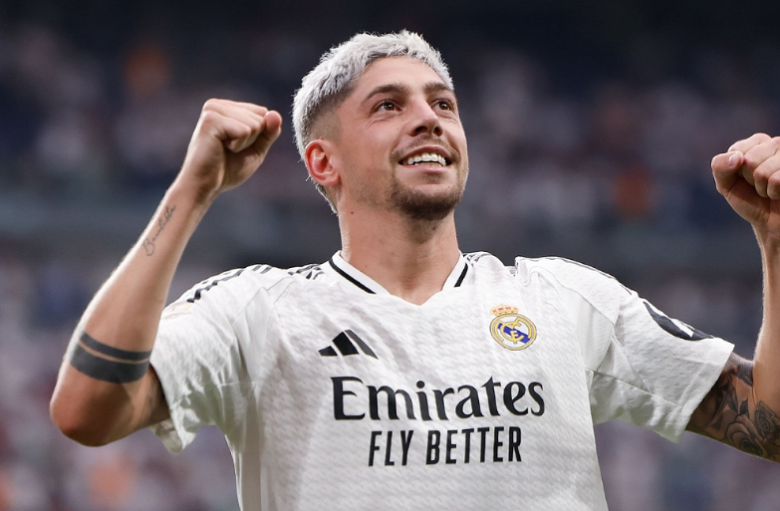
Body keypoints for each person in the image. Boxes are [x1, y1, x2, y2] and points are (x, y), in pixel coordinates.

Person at [50, 31, 780, 510]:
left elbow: (771, 426)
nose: (429, 118)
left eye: (443, 104)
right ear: (323, 161)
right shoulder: (256, 312)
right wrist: (191, 192)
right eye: (388, 106)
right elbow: (86, 409)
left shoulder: (565, 298)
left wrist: (776, 240)